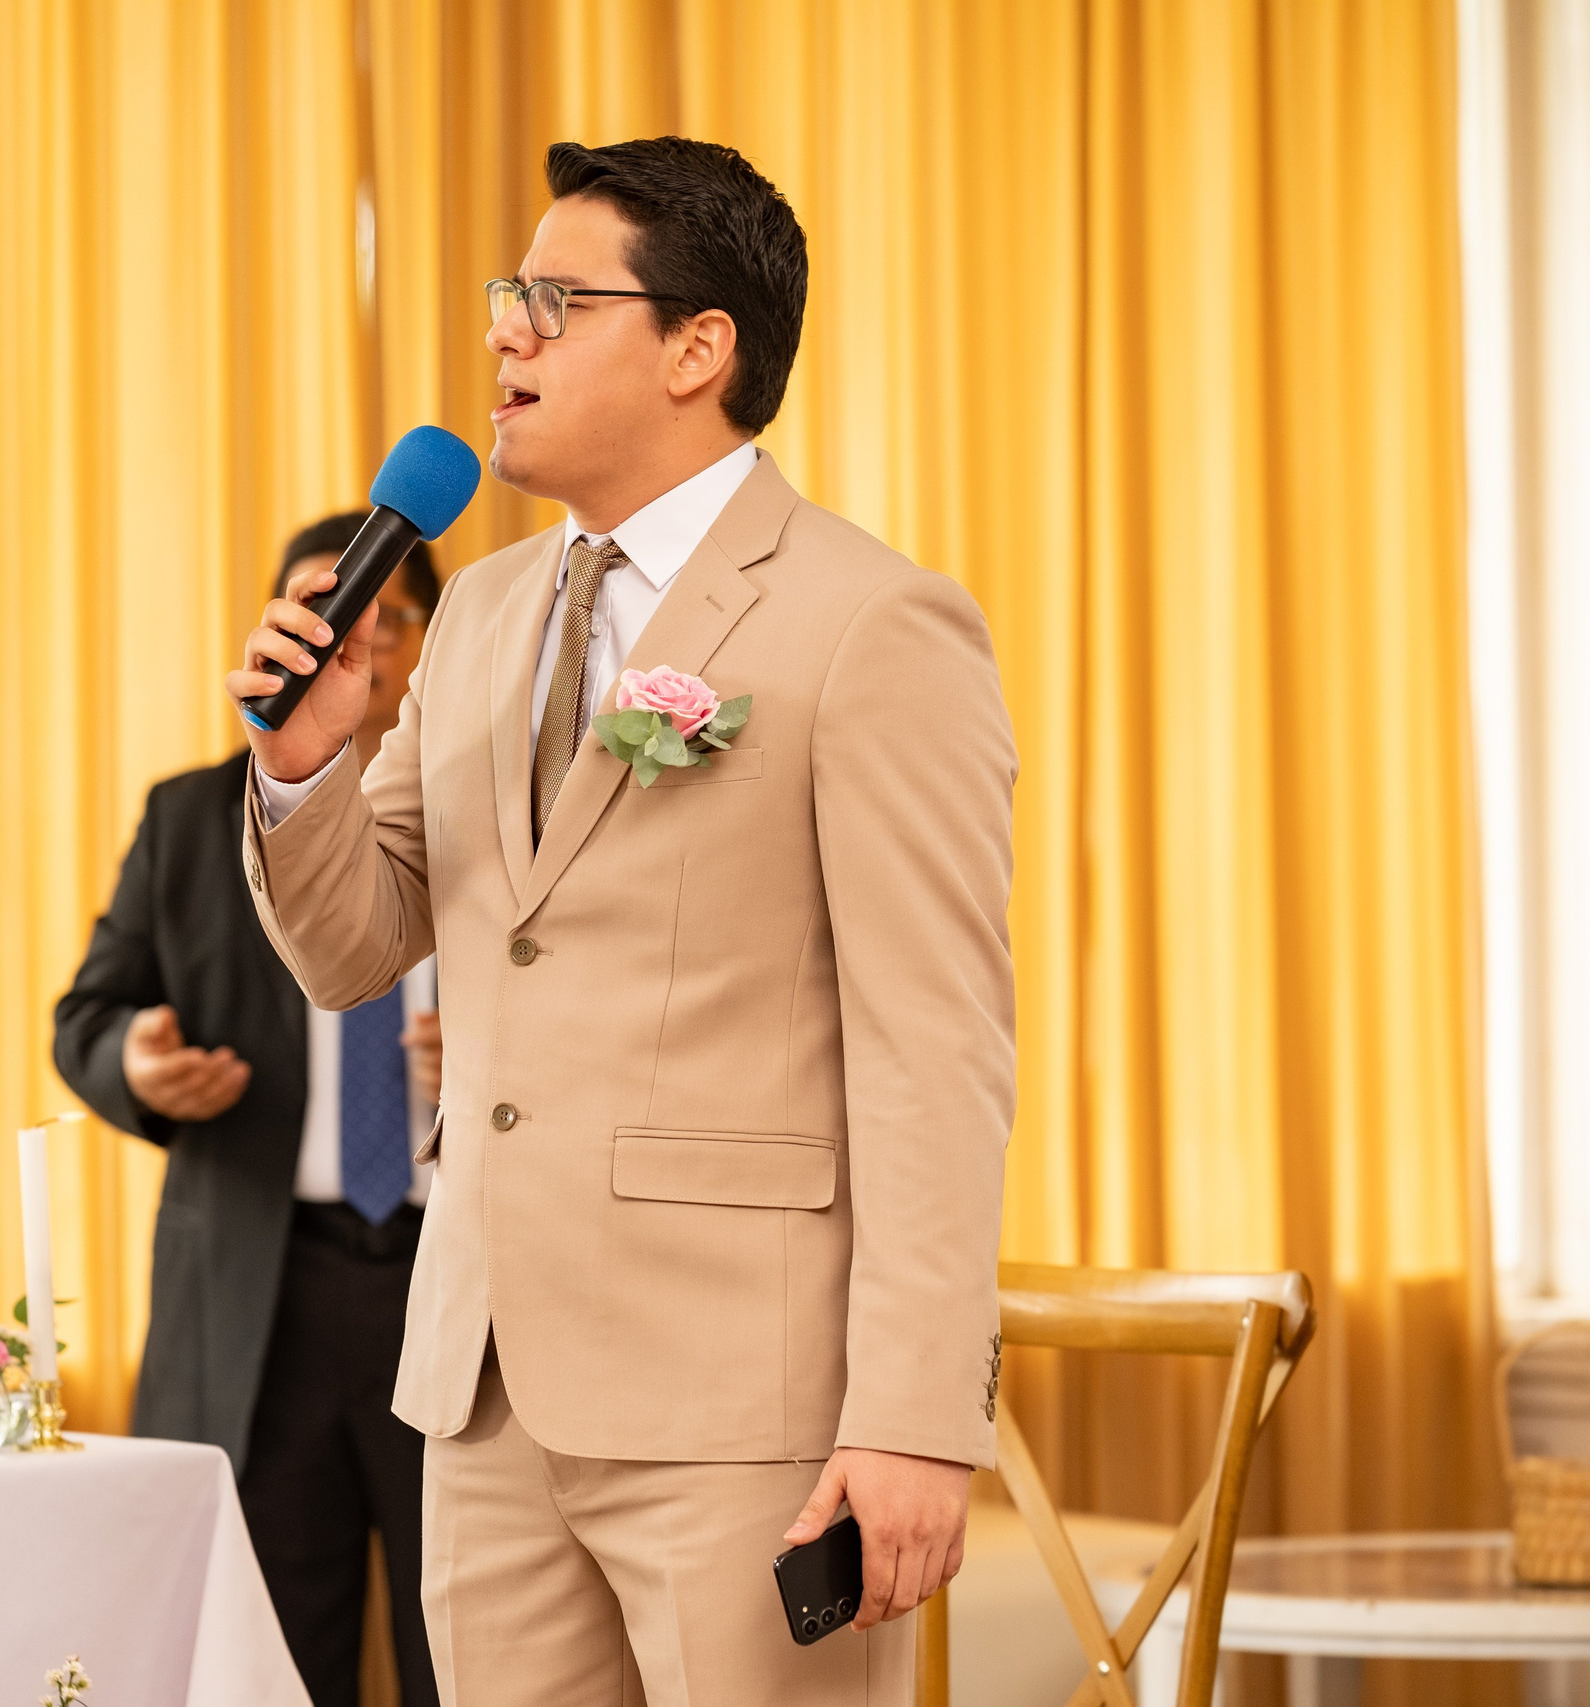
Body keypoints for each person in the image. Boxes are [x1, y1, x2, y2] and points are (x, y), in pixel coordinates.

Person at [227, 138, 1018, 1704]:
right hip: (488, 1387)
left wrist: (916, 1412)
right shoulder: (484, 610)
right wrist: (298, 765)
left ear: (697, 347)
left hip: (746, 1405)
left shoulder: (869, 622)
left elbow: (937, 1050)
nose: (502, 335)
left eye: (552, 299)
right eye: (505, 298)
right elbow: (353, 945)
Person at [54, 513, 446, 1707]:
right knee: (271, 1662)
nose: (347, 643)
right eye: (321, 614)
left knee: (475, 1655)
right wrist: (139, 1062)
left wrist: (483, 1062)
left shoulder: (494, 800)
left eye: (382, 618)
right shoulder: (193, 818)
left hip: (451, 1292)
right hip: (258, 1299)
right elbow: (90, 1016)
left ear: (427, 643)